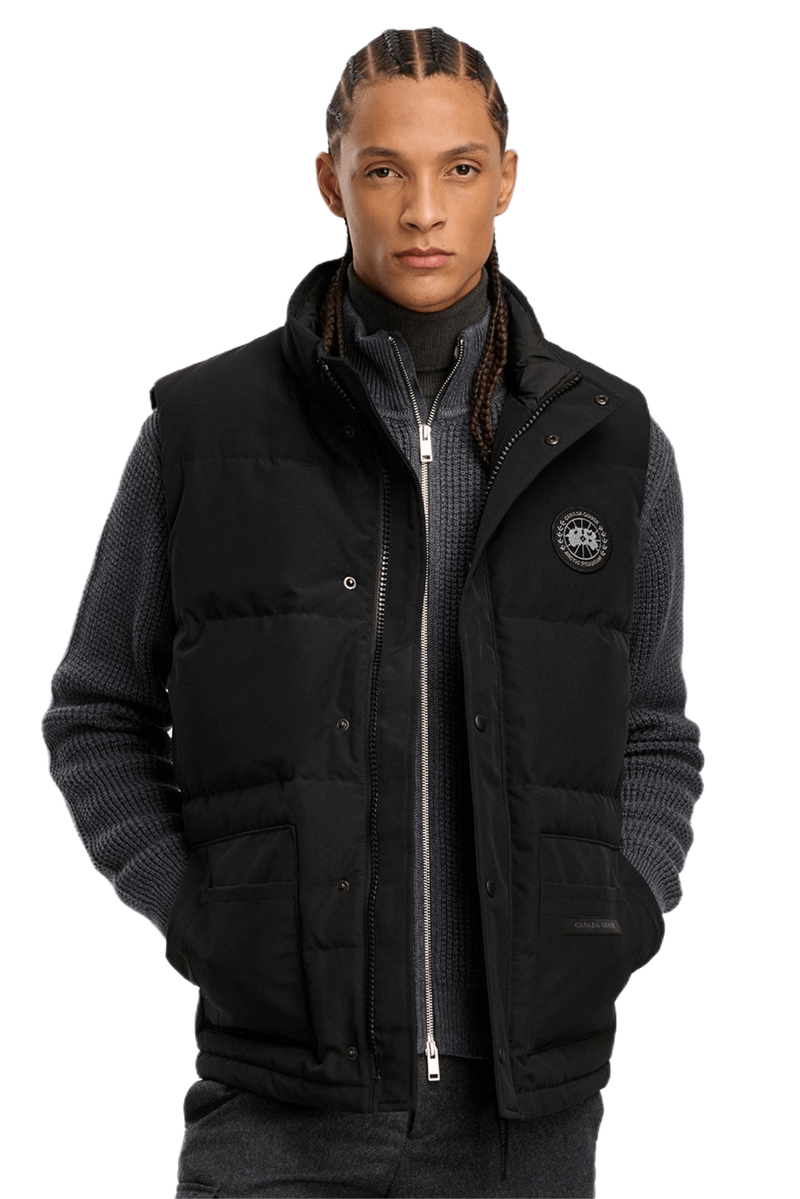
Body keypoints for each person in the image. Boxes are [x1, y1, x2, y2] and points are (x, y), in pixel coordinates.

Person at [40, 23, 705, 1198]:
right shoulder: (201, 428)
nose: (422, 210)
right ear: (328, 180)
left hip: (524, 1117)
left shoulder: (613, 440)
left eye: (459, 167)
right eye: (384, 169)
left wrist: (619, 911)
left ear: (507, 178)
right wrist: (202, 914)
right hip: (278, 1102)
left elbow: (654, 729)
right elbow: (94, 710)